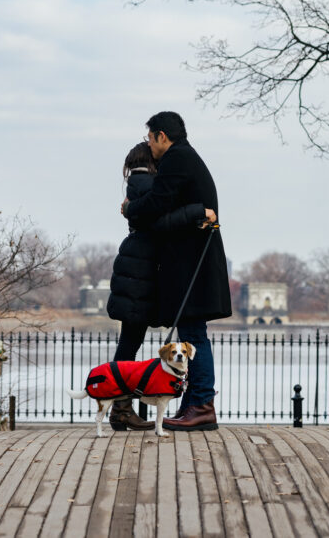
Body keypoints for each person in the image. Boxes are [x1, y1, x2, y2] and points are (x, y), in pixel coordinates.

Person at [121, 111, 231, 431]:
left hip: (191, 264)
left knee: (195, 334)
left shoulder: (176, 159)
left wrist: (131, 209)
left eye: (150, 138)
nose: (149, 144)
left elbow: (157, 203)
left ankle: (200, 406)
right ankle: (194, 405)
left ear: (161, 136)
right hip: (194, 261)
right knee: (193, 332)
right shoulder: (186, 158)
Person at [105, 141, 214, 431]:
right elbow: (160, 219)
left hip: (139, 266)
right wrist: (197, 211)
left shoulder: (139, 184)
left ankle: (122, 407)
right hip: (141, 270)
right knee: (129, 342)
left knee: (130, 340)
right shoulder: (148, 183)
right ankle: (121, 409)